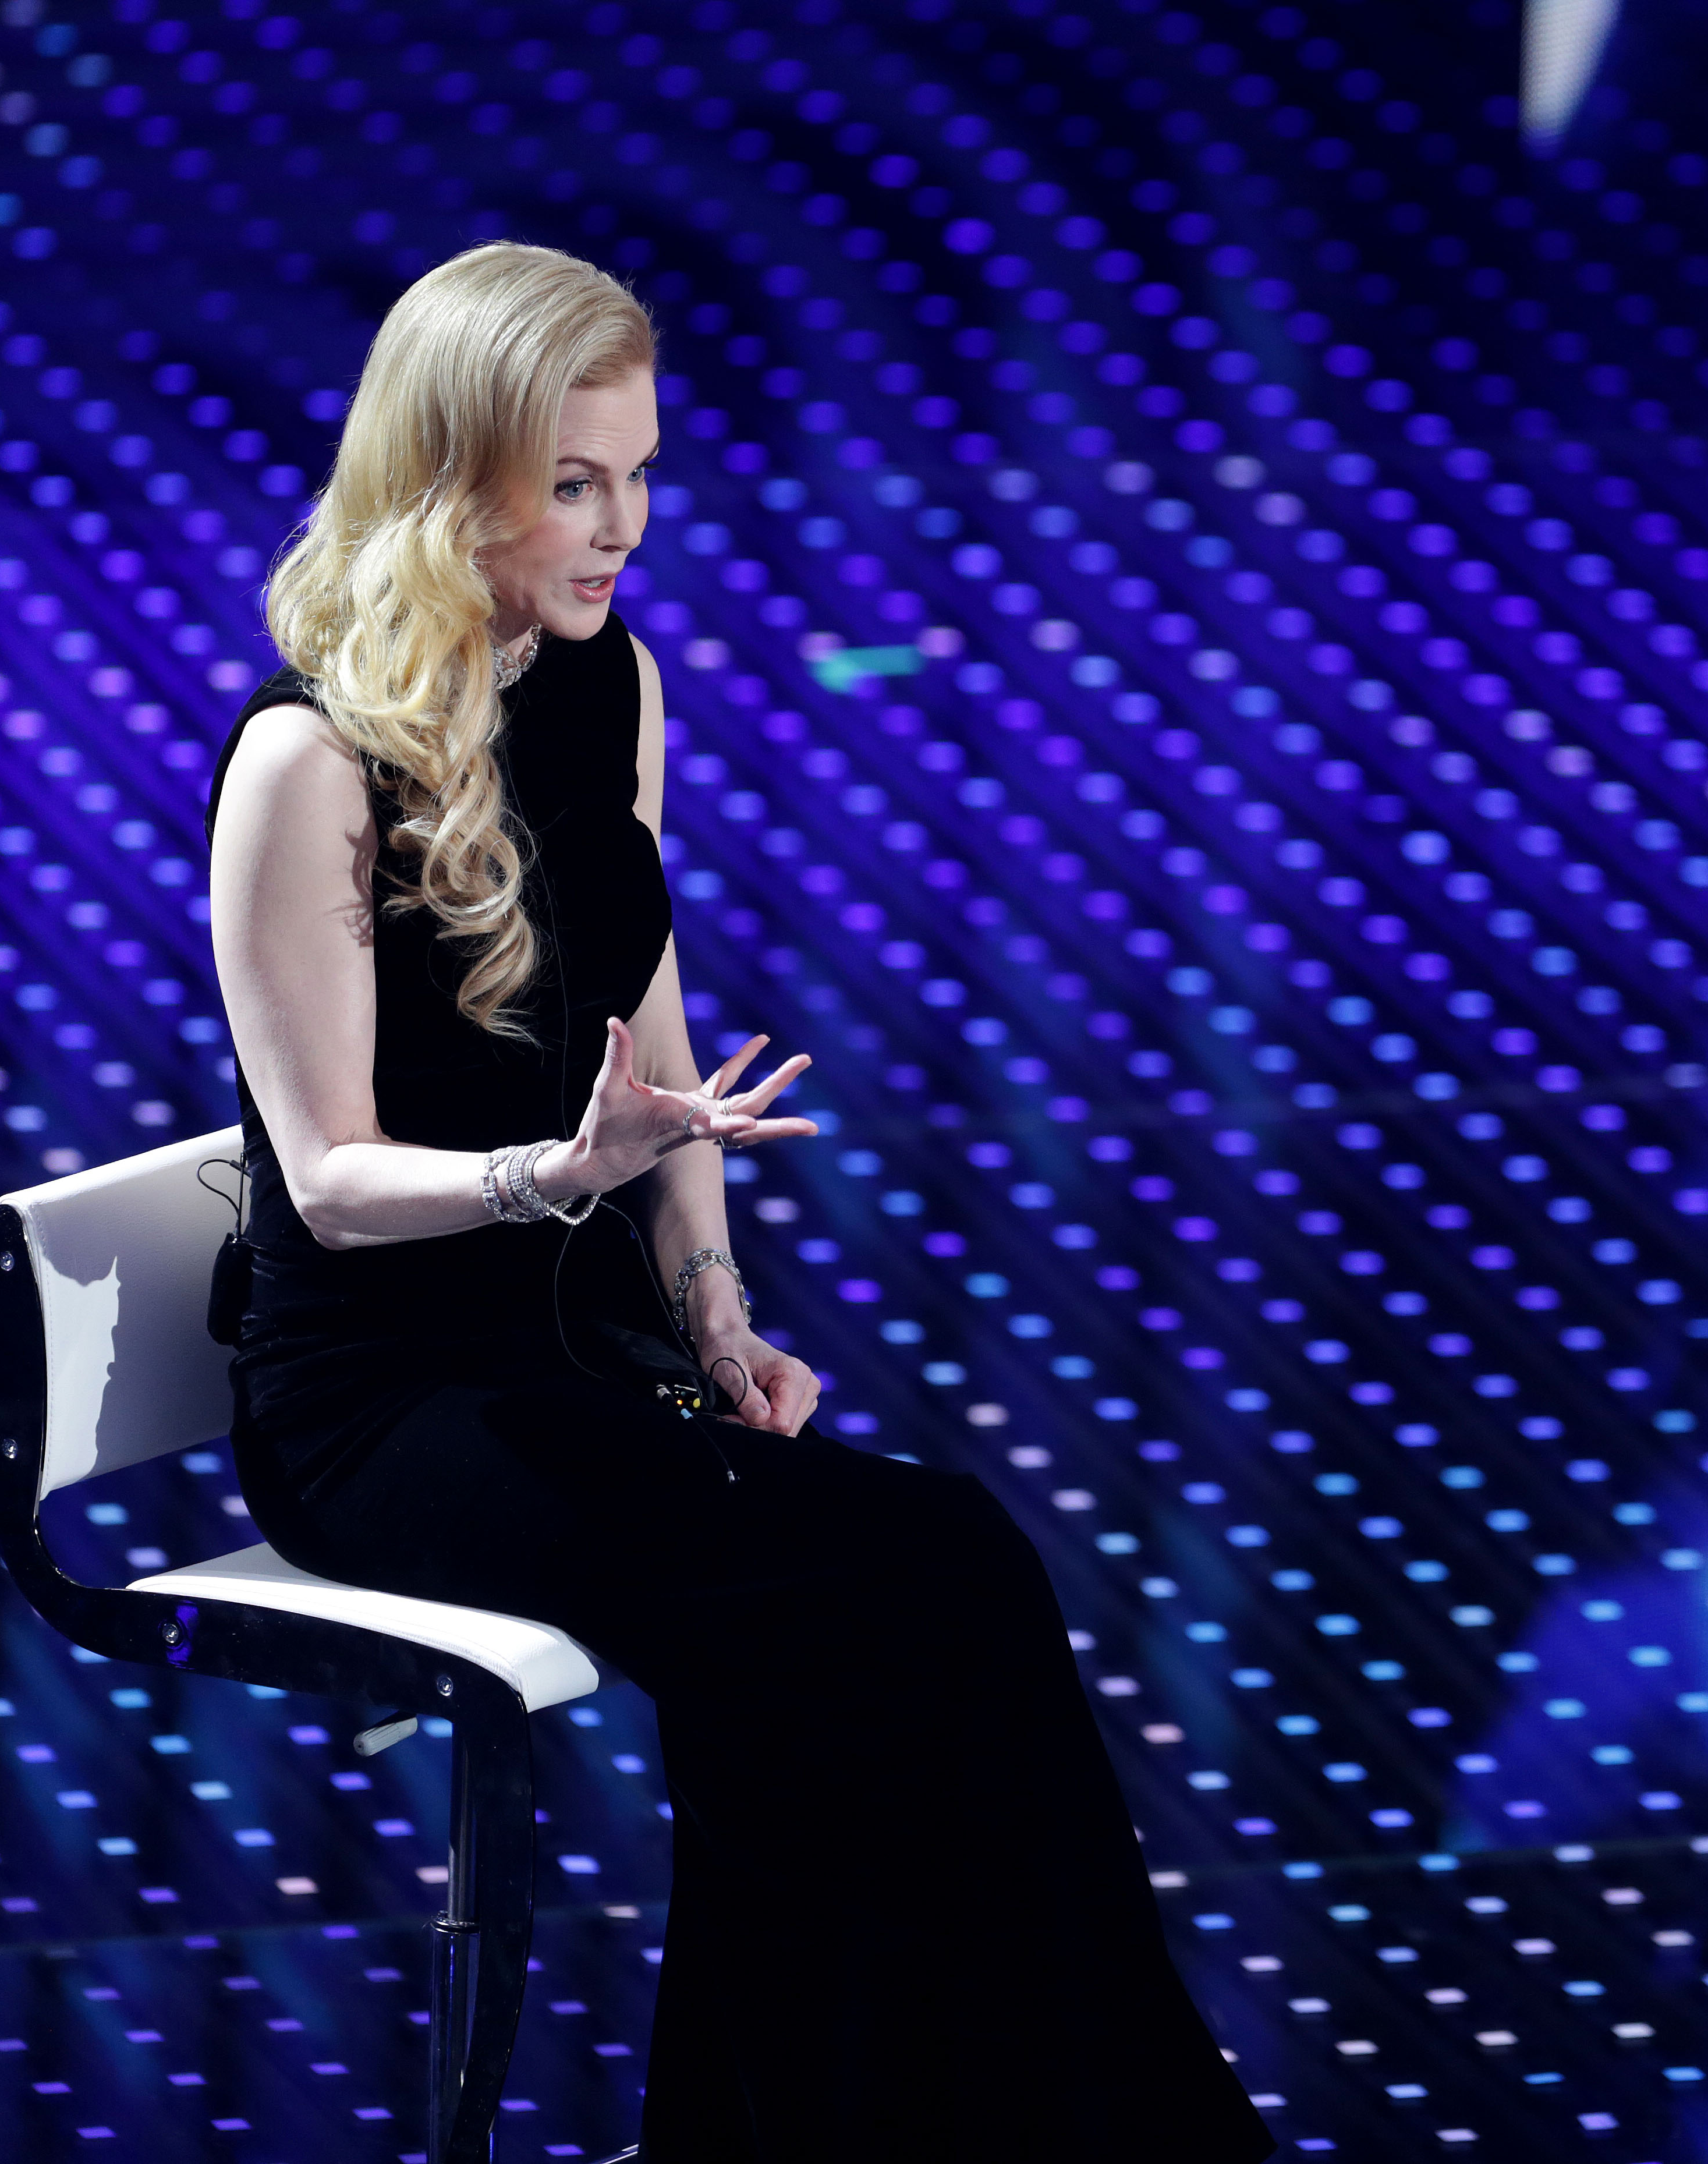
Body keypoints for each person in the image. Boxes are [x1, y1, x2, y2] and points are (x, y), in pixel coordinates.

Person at [204, 242, 1273, 2163]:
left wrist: (713, 1311)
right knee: (876, 1596)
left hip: (580, 1354)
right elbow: (333, 1189)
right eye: (573, 485)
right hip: (380, 1403)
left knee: (924, 1582)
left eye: (640, 475)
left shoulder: (607, 681)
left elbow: (659, 1051)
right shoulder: (307, 763)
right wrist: (561, 1176)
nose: (623, 529)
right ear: (451, 481)